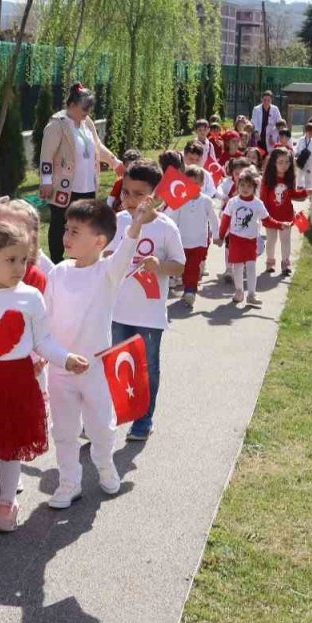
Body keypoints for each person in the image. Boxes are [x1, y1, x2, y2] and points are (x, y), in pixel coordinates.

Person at [0, 223, 87, 533]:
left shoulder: (30, 298)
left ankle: (8, 500)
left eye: (23, 260)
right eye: (10, 260)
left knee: (9, 447)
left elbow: (43, 340)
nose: (19, 268)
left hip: (17, 385)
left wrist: (65, 358)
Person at [43, 198, 157, 507]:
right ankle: (68, 483)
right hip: (61, 369)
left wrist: (136, 223)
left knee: (101, 427)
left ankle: (105, 466)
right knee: (64, 431)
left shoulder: (107, 273)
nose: (66, 236)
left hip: (95, 370)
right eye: (66, 229)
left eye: (75, 231)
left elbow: (125, 251)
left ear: (99, 241)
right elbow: (45, 319)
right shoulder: (58, 273)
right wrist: (54, 355)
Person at [108, 159, 186, 442]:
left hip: (150, 317)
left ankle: (144, 420)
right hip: (117, 312)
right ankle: (114, 415)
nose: (129, 200)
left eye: (138, 194)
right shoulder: (116, 223)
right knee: (116, 366)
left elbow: (179, 265)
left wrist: (160, 266)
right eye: (126, 192)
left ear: (154, 196)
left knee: (147, 369)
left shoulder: (166, 228)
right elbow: (102, 256)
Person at [39, 82, 117, 263]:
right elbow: (46, 155)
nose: (87, 113)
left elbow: (97, 147)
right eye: (84, 108)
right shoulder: (57, 124)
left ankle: (81, 258)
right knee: (60, 225)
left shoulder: (86, 122)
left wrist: (114, 161)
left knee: (85, 225)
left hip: (87, 186)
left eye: (89, 109)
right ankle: (56, 261)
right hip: (64, 188)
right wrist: (46, 181)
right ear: (72, 105)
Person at [165, 164, 219, 309]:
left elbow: (214, 219)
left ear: (202, 183)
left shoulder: (206, 201)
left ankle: (190, 291)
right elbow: (171, 217)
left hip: (199, 242)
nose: (192, 186)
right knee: (183, 266)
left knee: (193, 267)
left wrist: (218, 235)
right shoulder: (181, 199)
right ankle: (183, 285)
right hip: (182, 241)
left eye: (196, 183)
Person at [216, 166, 269, 307]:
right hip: (235, 240)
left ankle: (252, 294)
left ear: (254, 187)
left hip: (251, 241)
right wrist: (220, 237)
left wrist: (281, 224)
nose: (245, 188)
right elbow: (225, 220)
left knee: (251, 267)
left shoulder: (258, 204)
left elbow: (267, 219)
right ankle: (239, 291)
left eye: (249, 186)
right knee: (237, 267)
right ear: (238, 185)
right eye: (242, 185)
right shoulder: (233, 202)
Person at [260, 147, 308, 278]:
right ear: (273, 163)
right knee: (271, 240)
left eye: (287, 162)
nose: (284, 165)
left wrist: (308, 192)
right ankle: (270, 262)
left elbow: (293, 194)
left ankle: (286, 264)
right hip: (270, 215)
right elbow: (262, 199)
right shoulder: (267, 180)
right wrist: (263, 216)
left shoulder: (290, 178)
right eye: (280, 162)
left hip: (286, 215)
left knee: (285, 240)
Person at [293, 119, 312, 190]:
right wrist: (296, 154)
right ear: (306, 132)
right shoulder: (301, 139)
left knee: (308, 174)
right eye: (308, 132)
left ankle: (308, 188)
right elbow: (297, 148)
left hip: (309, 159)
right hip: (301, 158)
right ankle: (299, 186)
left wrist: (311, 153)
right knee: (300, 173)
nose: (310, 134)